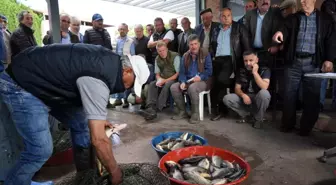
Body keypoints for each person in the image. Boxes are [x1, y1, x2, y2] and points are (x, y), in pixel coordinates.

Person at [0, 43, 149, 185]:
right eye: (132, 82)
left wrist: (98, 119)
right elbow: (99, 140)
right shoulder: (99, 80)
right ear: (127, 71)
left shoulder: (109, 64)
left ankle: (84, 176)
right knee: (40, 151)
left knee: (82, 124)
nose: (128, 88)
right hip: (21, 83)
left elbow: (88, 92)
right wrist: (115, 171)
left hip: (48, 85)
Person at [272, 0, 336, 136]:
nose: (302, 2)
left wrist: (329, 59)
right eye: (301, 0)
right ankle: (287, 125)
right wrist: (279, 33)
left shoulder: (325, 19)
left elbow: (331, 40)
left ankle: (305, 128)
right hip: (293, 62)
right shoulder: (293, 17)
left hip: (313, 63)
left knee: (312, 97)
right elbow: (284, 28)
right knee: (289, 95)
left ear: (313, 0)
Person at [210, 8, 251, 121]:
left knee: (222, 80)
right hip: (217, 59)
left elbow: (246, 46)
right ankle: (222, 111)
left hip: (231, 59)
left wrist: (247, 61)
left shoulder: (239, 27)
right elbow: (213, 44)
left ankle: (237, 110)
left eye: (229, 15)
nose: (226, 18)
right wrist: (213, 55)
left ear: (232, 16)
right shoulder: (215, 29)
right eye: (223, 16)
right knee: (218, 83)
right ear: (220, 18)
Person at [170, 34, 212, 124]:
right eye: (191, 44)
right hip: (188, 80)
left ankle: (195, 113)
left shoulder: (205, 54)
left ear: (199, 44)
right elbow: (182, 72)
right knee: (174, 87)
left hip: (203, 81)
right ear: (188, 45)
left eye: (195, 44)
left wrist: (200, 77)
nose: (193, 46)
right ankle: (182, 111)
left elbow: (209, 71)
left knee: (192, 88)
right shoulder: (185, 56)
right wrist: (182, 82)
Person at [223, 51, 271, 129]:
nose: (248, 63)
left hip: (257, 97)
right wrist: (243, 95)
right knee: (227, 98)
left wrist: (255, 73)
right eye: (245, 61)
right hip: (246, 97)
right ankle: (247, 115)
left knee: (264, 93)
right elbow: (237, 88)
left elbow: (264, 86)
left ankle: (258, 119)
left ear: (257, 60)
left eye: (251, 60)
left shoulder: (265, 70)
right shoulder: (241, 70)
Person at [139, 41, 180, 120]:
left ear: (167, 49)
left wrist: (165, 81)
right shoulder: (157, 58)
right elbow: (157, 73)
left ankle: (157, 108)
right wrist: (159, 80)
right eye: (159, 51)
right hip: (163, 78)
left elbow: (177, 74)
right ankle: (150, 107)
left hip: (174, 78)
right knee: (152, 84)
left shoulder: (175, 56)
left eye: (163, 50)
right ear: (157, 51)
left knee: (167, 85)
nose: (162, 52)